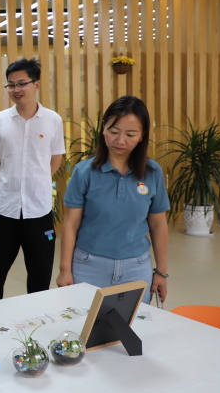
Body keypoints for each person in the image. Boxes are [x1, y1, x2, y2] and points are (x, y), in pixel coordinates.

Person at [57, 95, 170, 304]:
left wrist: (161, 272)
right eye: (114, 131)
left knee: (132, 323)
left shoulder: (152, 173)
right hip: (88, 265)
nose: (120, 140)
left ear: (142, 135)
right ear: (103, 129)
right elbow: (71, 224)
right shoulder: (84, 172)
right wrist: (65, 270)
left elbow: (159, 224)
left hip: (136, 268)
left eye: (130, 134)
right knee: (85, 322)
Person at [0, 58, 66, 299]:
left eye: (21, 83)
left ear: (36, 84)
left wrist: (38, 180)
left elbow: (56, 158)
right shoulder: (0, 120)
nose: (16, 89)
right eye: (11, 85)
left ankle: (35, 320)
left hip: (39, 210)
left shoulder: (53, 120)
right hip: (4, 209)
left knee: (40, 275)